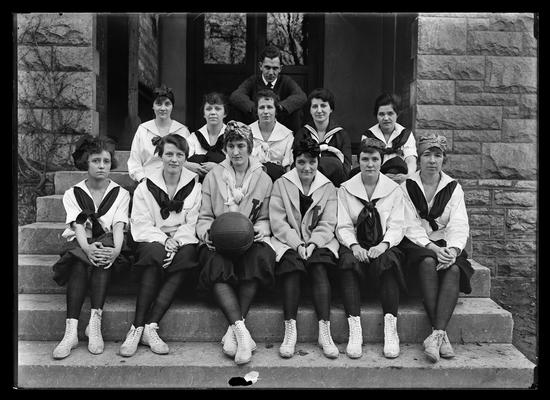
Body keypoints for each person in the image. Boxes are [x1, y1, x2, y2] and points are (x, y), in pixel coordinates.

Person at [196, 120, 276, 365]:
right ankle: (242, 332)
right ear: (225, 149)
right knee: (215, 263)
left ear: (250, 147)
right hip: (219, 240)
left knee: (259, 257)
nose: (236, 151)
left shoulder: (263, 179)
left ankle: (233, 331)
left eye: (241, 145)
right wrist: (207, 233)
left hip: (249, 240)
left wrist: (261, 230)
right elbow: (204, 216)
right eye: (231, 146)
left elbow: (264, 218)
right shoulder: (213, 177)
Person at [119, 134, 202, 357]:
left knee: (187, 256)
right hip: (153, 237)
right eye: (169, 154)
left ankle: (151, 325)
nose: (174, 159)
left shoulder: (195, 185)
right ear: (161, 156)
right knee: (155, 254)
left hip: (183, 238)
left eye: (180, 155)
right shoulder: (146, 185)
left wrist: (176, 243)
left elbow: (194, 220)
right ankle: (136, 327)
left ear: (186, 157)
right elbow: (141, 221)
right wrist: (165, 240)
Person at [51, 136, 131, 359]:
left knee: (103, 256)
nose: (102, 166)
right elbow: (78, 225)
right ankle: (71, 332)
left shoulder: (121, 194)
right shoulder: (73, 194)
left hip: (109, 245)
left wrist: (115, 250)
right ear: (86, 162)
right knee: (79, 262)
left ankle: (94, 324)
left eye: (106, 161)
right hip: (83, 243)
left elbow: (118, 225)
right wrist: (87, 249)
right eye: (96, 161)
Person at [398, 133, 473, 363]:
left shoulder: (453, 188)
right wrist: (431, 247)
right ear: (419, 159)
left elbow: (459, 223)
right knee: (428, 261)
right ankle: (441, 333)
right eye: (427, 155)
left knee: (453, 268)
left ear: (444, 160)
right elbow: (409, 225)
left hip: (445, 243)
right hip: (417, 243)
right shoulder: (407, 187)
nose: (432, 160)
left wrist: (453, 250)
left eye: (437, 155)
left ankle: (436, 335)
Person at [269, 138, 340, 359]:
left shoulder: (327, 187)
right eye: (301, 162)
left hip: (319, 240)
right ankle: (290, 330)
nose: (306, 167)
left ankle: (324, 331)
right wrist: (298, 244)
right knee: (291, 268)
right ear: (294, 162)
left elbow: (328, 223)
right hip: (289, 241)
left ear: (318, 161)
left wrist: (312, 243)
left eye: (311, 162)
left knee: (318, 267)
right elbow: (278, 222)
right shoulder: (281, 184)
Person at [336, 138, 406, 360]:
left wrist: (383, 245)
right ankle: (355, 329)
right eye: (365, 159)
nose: (370, 164)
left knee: (389, 261)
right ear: (358, 160)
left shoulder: (393, 190)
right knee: (347, 262)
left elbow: (397, 225)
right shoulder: (346, 189)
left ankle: (390, 328)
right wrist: (354, 246)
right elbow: (343, 225)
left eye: (375, 159)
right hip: (355, 243)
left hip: (382, 243)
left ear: (382, 160)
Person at [229, 45, 306, 133]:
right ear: (260, 66)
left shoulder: (285, 81)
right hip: (255, 126)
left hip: (281, 127)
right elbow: (236, 96)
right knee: (238, 108)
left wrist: (280, 107)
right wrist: (255, 108)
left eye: (275, 68)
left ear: (280, 68)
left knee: (297, 110)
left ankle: (293, 142)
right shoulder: (253, 80)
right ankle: (241, 139)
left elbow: (301, 96)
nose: (271, 73)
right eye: (267, 67)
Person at [127, 84, 192, 183]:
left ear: (172, 106)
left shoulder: (182, 131)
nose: (163, 108)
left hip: (175, 183)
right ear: (153, 106)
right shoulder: (143, 130)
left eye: (167, 104)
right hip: (147, 182)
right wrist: (143, 180)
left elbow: (187, 161)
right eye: (158, 104)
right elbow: (134, 161)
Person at [350, 93, 417, 184]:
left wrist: (407, 177)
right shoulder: (369, 135)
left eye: (390, 113)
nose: (386, 118)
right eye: (381, 114)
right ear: (376, 116)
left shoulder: (406, 134)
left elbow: (411, 160)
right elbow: (367, 163)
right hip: (375, 180)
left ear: (397, 114)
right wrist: (381, 178)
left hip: (401, 179)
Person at [293, 88, 352, 187]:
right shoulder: (303, 133)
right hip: (306, 185)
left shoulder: (341, 135)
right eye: (315, 106)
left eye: (323, 106)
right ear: (310, 110)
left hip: (335, 186)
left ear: (331, 109)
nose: (319, 110)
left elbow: (346, 170)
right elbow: (295, 165)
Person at [249, 89, 294, 181]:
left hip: (278, 182)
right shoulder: (246, 132)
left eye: (269, 107)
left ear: (276, 110)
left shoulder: (287, 135)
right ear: (256, 110)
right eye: (261, 107)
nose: (265, 111)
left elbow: (288, 169)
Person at [186, 92, 229, 181]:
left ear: (225, 113)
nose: (213, 112)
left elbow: (241, 165)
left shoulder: (233, 137)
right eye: (209, 109)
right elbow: (180, 160)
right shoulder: (194, 137)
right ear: (203, 114)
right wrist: (189, 165)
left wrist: (218, 167)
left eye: (218, 109)